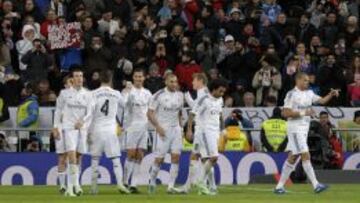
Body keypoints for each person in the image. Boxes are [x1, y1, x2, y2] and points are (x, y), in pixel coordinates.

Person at [274, 72, 340, 194]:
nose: (307, 82)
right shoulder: (291, 94)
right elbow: (285, 113)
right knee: (305, 154)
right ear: (298, 81)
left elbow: (322, 101)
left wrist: (331, 94)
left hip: (304, 129)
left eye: (308, 81)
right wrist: (305, 113)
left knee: (293, 157)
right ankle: (316, 185)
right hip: (294, 129)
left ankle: (279, 187)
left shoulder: (309, 93)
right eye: (305, 80)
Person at [52, 66, 94, 197]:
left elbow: (90, 112)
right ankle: (70, 187)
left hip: (82, 129)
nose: (79, 78)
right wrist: (55, 126)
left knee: (79, 157)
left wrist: (83, 121)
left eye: (81, 76)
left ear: (83, 78)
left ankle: (76, 184)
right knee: (71, 155)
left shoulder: (88, 94)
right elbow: (58, 110)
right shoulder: (64, 93)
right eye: (76, 76)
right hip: (68, 128)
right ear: (72, 79)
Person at [89, 70, 130, 194]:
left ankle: (94, 187)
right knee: (116, 158)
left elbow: (89, 112)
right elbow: (125, 105)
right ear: (111, 79)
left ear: (99, 79)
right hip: (111, 129)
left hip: (96, 129)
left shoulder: (92, 94)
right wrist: (127, 91)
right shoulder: (116, 93)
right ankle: (120, 184)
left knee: (95, 158)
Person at [185, 79, 228, 195]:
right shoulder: (203, 99)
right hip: (205, 131)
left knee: (206, 159)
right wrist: (189, 130)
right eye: (220, 91)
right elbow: (192, 114)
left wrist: (223, 130)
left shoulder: (220, 100)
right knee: (213, 157)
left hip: (215, 132)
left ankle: (203, 186)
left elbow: (220, 115)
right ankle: (200, 182)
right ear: (213, 89)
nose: (221, 94)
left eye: (223, 92)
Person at [147, 74, 184, 194]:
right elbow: (150, 113)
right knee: (159, 159)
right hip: (163, 129)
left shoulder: (180, 95)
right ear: (166, 82)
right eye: (172, 82)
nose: (174, 84)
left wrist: (181, 128)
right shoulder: (158, 95)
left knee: (176, 157)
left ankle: (171, 186)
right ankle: (152, 181)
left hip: (176, 130)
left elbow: (179, 113)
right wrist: (158, 127)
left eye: (176, 82)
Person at [122, 68, 152, 193]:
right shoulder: (127, 91)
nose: (139, 78)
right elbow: (124, 105)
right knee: (131, 154)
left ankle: (134, 184)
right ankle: (124, 182)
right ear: (133, 78)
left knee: (140, 155)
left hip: (144, 127)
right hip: (131, 126)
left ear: (144, 78)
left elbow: (151, 110)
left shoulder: (148, 93)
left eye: (141, 76)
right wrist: (128, 93)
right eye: (136, 76)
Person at [182, 73, 211, 193]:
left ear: (200, 81)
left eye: (194, 80)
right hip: (201, 130)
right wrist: (187, 97)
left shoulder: (203, 93)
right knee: (197, 157)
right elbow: (197, 108)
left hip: (203, 130)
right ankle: (188, 186)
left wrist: (189, 129)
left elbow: (194, 111)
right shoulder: (203, 93)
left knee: (206, 159)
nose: (192, 83)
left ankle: (208, 186)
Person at [52, 75, 72, 194]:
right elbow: (57, 112)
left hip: (74, 130)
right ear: (65, 85)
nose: (72, 84)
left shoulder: (80, 95)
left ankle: (73, 184)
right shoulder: (62, 96)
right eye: (70, 82)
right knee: (62, 157)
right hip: (61, 128)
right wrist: (55, 128)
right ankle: (62, 186)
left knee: (74, 157)